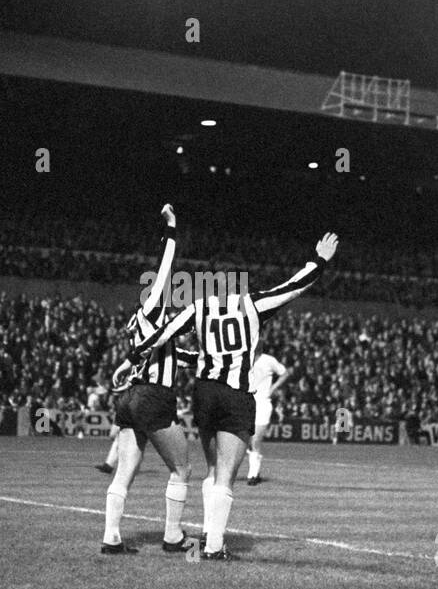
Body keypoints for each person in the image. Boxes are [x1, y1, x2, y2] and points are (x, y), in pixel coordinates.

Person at [116, 233, 338, 560]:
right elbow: (294, 286)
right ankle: (214, 545)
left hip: (204, 393)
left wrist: (132, 358)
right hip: (235, 395)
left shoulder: (198, 307)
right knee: (226, 474)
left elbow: (165, 334)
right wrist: (319, 260)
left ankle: (208, 535)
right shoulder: (252, 303)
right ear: (238, 282)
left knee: (210, 468)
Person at [99, 205, 194, 555]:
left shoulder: (142, 327)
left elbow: (178, 357)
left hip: (130, 398)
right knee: (182, 468)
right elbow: (165, 267)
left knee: (124, 471)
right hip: (154, 397)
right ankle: (172, 537)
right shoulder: (153, 308)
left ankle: (111, 538)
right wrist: (171, 229)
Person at [245, 350, 289, 485]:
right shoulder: (243, 357)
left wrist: (273, 388)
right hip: (246, 403)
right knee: (247, 440)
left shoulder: (268, 360)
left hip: (263, 404)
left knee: (256, 439)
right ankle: (255, 464)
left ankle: (252, 475)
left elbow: (285, 373)